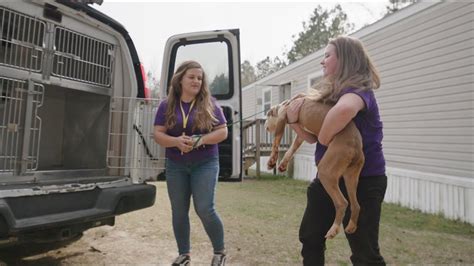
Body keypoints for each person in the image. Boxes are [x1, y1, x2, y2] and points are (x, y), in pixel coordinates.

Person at [287, 36, 387, 265]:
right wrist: (293, 122)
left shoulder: (359, 91)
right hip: (329, 178)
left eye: (327, 55)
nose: (323, 62)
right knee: (311, 237)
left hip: (364, 179)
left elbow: (344, 111)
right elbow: (313, 140)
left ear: (346, 60)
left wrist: (324, 135)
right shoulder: (332, 94)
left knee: (364, 253)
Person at [153, 60, 228, 266]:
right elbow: (157, 133)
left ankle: (220, 252)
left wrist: (200, 140)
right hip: (176, 165)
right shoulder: (166, 105)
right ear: (180, 79)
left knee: (204, 208)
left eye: (200, 78)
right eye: (192, 77)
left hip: (205, 162)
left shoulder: (210, 103)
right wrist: (176, 142)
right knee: (179, 210)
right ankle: (184, 255)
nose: (196, 81)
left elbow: (223, 131)